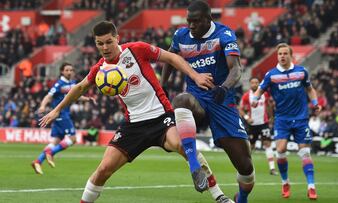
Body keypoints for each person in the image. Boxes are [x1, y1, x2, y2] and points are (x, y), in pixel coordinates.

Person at [39, 21, 231, 203]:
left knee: (182, 146)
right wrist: (56, 110)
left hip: (161, 117)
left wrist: (195, 75)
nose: (105, 47)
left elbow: (172, 57)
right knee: (103, 169)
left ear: (117, 38)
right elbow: (80, 88)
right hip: (133, 125)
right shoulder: (100, 69)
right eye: (100, 44)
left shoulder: (137, 49)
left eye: (108, 42)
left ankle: (218, 194)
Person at [161, 1, 255, 203]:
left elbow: (236, 69)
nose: (191, 26)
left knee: (245, 167)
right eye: (189, 21)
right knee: (181, 100)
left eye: (196, 21)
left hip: (221, 101)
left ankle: (243, 197)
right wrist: (161, 86)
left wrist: (224, 88)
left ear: (208, 19)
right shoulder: (180, 35)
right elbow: (170, 59)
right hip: (197, 98)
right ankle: (194, 164)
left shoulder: (224, 34)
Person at [251, 43, 321, 200]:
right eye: (279, 54)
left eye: (284, 53)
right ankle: (285, 182)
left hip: (301, 118)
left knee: (304, 151)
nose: (282, 56)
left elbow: (310, 89)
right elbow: (260, 89)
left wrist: (315, 103)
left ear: (291, 55)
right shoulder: (272, 75)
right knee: (281, 150)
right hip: (282, 119)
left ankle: (311, 186)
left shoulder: (302, 72)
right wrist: (255, 98)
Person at [31, 62, 95, 175]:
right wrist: (42, 106)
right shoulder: (59, 84)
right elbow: (48, 96)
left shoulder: (72, 83)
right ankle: (51, 153)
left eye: (71, 70)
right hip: (60, 115)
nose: (69, 72)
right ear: (62, 71)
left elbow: (76, 96)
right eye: (67, 70)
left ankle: (37, 161)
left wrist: (88, 99)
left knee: (56, 141)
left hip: (62, 115)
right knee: (73, 139)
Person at [239, 77, 278, 175]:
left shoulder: (264, 94)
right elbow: (240, 109)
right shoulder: (246, 96)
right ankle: (246, 168)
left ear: (259, 83)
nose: (254, 84)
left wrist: (271, 117)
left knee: (267, 144)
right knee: (250, 147)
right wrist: (247, 118)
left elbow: (268, 106)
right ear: (250, 84)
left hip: (263, 124)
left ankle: (272, 168)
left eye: (256, 82)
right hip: (252, 125)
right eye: (252, 83)